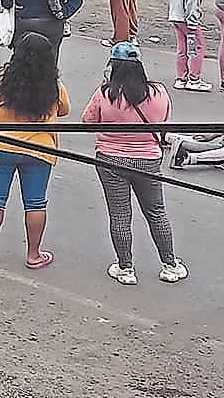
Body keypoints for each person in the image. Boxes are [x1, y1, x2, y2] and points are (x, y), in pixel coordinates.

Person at [82, 42, 186, 286]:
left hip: (110, 159)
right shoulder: (159, 92)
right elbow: (164, 120)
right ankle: (170, 264)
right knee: (156, 213)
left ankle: (125, 267)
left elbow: (88, 121)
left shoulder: (105, 93)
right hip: (148, 160)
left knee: (120, 216)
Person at [0, 31, 68, 270]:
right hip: (39, 148)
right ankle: (34, 254)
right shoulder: (52, 84)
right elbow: (64, 110)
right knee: (35, 203)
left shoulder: (1, 78)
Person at [163, 0, 212, 91]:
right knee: (199, 46)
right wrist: (193, 21)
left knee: (182, 47)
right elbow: (191, 3)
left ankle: (181, 78)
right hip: (187, 19)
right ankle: (194, 79)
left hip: (175, 17)